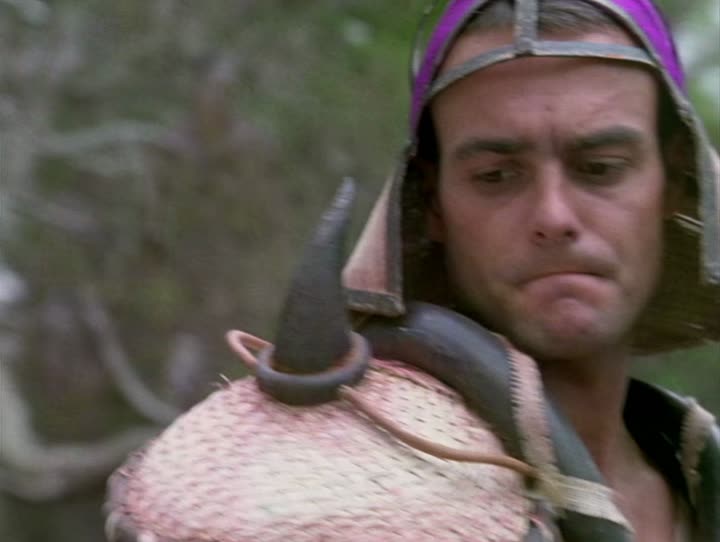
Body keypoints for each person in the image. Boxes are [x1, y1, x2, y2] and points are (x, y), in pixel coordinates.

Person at [105, 1, 719, 541]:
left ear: (674, 180)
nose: (553, 216)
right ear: (432, 203)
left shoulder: (697, 469)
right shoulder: (331, 500)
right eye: (496, 176)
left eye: (601, 167)